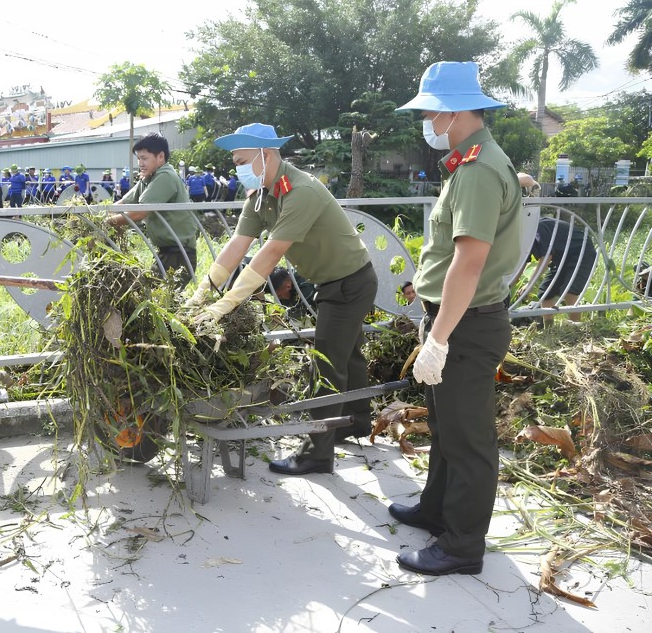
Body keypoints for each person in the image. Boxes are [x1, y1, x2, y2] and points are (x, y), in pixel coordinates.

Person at [389, 62, 522, 577]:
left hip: (465, 325)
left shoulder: (479, 171)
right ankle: (437, 510)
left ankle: (463, 546)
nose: (424, 119)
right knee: (446, 426)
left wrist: (438, 338)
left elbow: (469, 263)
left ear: (455, 111)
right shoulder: (473, 163)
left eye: (429, 110)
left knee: (468, 439)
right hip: (453, 320)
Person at [186, 122, 378, 471]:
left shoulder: (300, 191)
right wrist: (202, 296)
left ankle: (316, 454)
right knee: (347, 355)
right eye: (235, 163)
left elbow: (271, 253)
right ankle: (357, 422)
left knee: (328, 364)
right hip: (332, 281)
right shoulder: (261, 195)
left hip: (351, 282)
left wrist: (227, 303)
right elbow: (237, 246)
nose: (238, 169)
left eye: (243, 161)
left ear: (268, 155)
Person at [105, 133, 198, 287]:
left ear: (160, 157)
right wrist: (100, 213)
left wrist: (106, 223)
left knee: (156, 299)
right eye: (139, 158)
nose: (140, 163)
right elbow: (123, 203)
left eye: (144, 158)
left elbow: (139, 212)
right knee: (152, 296)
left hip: (179, 253)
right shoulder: (149, 178)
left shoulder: (165, 176)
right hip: (167, 252)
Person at [523, 216, 596, 322]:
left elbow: (546, 257)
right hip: (561, 258)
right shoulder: (524, 235)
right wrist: (509, 285)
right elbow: (523, 262)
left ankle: (575, 329)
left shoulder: (538, 228)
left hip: (581, 252)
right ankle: (549, 329)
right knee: (545, 293)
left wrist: (529, 284)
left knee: (569, 292)